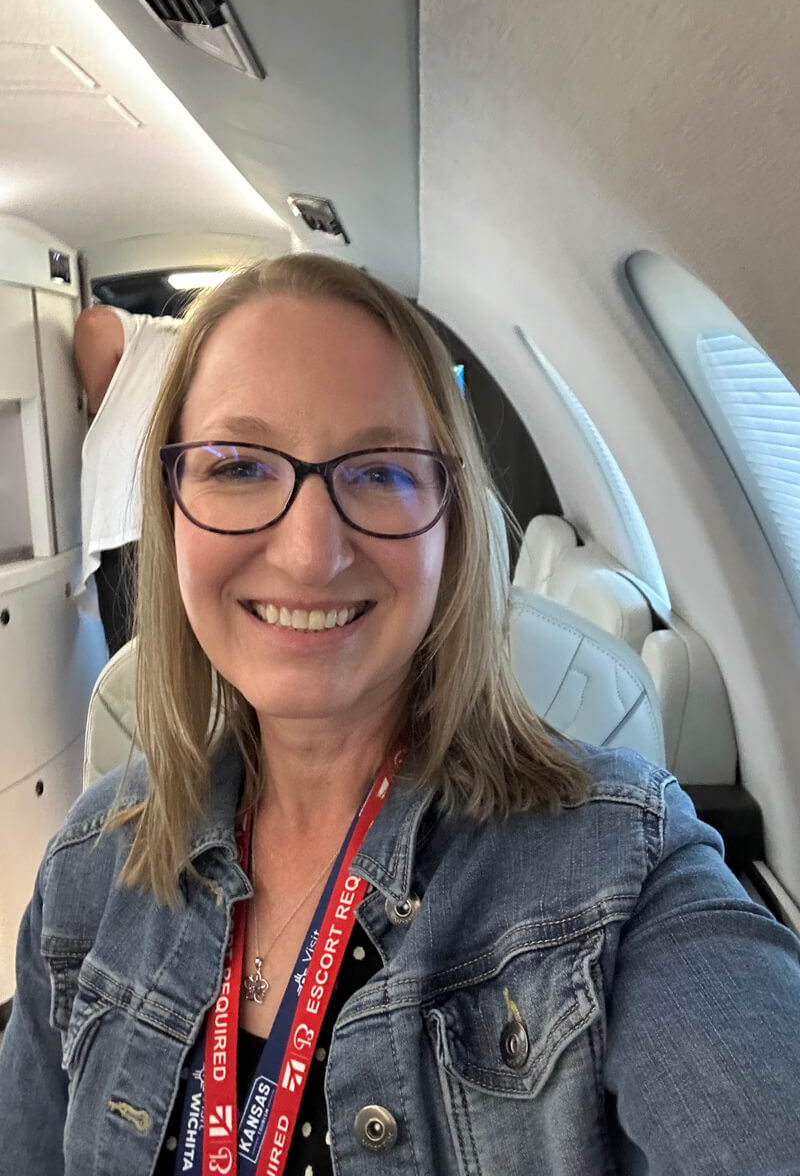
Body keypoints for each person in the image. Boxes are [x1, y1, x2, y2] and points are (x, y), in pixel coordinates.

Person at [2, 254, 799, 1176]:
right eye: (239, 466)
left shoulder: (621, 873)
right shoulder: (85, 875)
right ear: (171, 508)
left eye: (378, 473)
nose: (308, 555)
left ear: (451, 528)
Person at [73, 303, 182, 655]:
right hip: (172, 516)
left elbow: (94, 322)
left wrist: (99, 404)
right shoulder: (208, 340)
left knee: (134, 662)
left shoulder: (150, 331)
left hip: (129, 517)